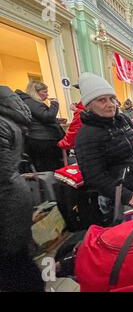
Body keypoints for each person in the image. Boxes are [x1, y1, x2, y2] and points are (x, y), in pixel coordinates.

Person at [75, 73, 133, 221]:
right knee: (130, 240)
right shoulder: (86, 135)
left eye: (112, 98)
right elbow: (94, 177)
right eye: (102, 100)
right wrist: (125, 195)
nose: (110, 104)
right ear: (89, 105)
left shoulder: (122, 119)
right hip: (117, 199)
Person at [0, 86, 44, 292]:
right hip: (14, 198)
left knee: (14, 266)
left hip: (7, 203)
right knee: (20, 262)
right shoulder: (9, 120)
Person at [15, 81, 64, 172]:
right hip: (43, 140)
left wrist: (56, 120)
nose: (47, 94)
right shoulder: (31, 102)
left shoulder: (29, 102)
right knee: (49, 167)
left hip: (38, 138)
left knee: (45, 166)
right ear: (36, 92)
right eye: (44, 92)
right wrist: (55, 104)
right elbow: (47, 117)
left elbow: (38, 119)